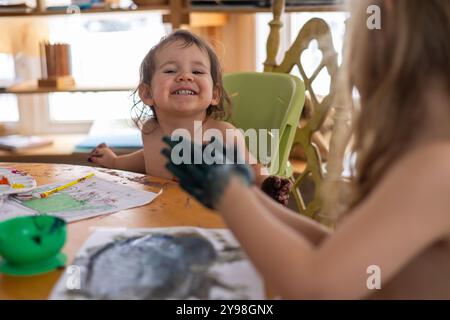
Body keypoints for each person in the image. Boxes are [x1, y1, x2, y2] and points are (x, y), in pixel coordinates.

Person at [162, 0, 450, 299]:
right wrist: (245, 190)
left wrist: (229, 194)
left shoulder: (436, 166)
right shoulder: (422, 156)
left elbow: (316, 286)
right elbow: (331, 249)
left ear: (384, 25)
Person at [88, 30, 292, 205]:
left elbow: (253, 168)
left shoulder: (222, 133)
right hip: (162, 218)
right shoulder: (151, 131)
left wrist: (268, 184)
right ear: (148, 94)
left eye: (197, 71)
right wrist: (114, 162)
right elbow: (147, 158)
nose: (185, 76)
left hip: (211, 221)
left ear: (214, 95)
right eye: (170, 70)